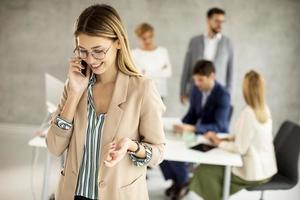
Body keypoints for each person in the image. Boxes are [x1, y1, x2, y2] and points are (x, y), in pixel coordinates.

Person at [46, 4, 166, 200]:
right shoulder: (75, 84)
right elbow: (54, 147)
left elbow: (158, 152)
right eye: (82, 51)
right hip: (72, 194)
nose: (91, 60)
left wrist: (132, 146)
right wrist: (75, 93)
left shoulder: (142, 88)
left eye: (98, 51)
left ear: (118, 42)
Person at [190, 70, 278, 200]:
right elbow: (247, 137)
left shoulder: (249, 113)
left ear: (246, 90)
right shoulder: (263, 108)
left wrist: (218, 143)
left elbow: (240, 149)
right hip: (267, 169)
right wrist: (223, 139)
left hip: (253, 173)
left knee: (204, 171)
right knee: (209, 168)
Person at [160, 60, 231, 200]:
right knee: (164, 147)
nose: (197, 83)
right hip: (197, 134)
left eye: (200, 80)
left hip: (213, 138)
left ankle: (183, 182)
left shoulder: (223, 95)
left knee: (177, 153)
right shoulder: (196, 90)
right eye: (195, 80)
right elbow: (192, 114)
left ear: (212, 76)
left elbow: (220, 125)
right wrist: (181, 126)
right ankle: (178, 181)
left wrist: (193, 128)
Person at [180, 7, 234, 104]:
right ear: (208, 20)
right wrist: (183, 91)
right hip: (196, 90)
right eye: (217, 21)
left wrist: (229, 95)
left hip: (218, 92)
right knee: (194, 118)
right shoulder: (194, 41)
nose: (220, 25)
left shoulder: (228, 43)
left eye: (222, 22)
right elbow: (187, 68)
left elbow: (231, 72)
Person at [132, 23, 172, 100]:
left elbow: (168, 72)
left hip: (160, 93)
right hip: (142, 94)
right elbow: (138, 76)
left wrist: (146, 72)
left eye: (150, 37)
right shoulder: (134, 54)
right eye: (144, 38)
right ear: (138, 38)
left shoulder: (162, 51)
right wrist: (160, 70)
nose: (148, 40)